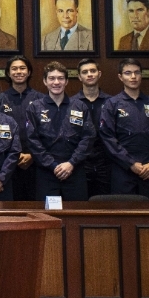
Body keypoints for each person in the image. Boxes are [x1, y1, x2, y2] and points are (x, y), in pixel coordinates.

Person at [99, 58, 149, 201]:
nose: (133, 77)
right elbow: (107, 138)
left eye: (136, 73)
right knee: (125, 215)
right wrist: (130, 164)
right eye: (128, 73)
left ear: (141, 75)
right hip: (123, 169)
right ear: (120, 77)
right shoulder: (112, 104)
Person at [25, 61, 95, 201]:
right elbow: (32, 141)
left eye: (60, 78)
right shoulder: (35, 108)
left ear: (67, 81)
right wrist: (53, 165)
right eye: (52, 78)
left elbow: (88, 137)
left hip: (74, 171)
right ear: (45, 81)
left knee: (76, 216)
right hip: (47, 173)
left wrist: (71, 163)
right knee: (49, 217)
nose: (56, 82)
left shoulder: (79, 106)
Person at [0, 56, 42, 201]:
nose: (18, 72)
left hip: (36, 162)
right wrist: (13, 157)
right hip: (7, 164)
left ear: (29, 72)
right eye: (14, 69)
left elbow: (46, 132)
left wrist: (32, 155)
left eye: (22, 68)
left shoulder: (41, 99)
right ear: (8, 73)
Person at [74, 58, 112, 198]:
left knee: (106, 206)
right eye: (85, 72)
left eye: (93, 71)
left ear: (99, 74)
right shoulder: (72, 103)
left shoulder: (112, 102)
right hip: (80, 163)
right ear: (79, 77)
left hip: (106, 162)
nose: (89, 74)